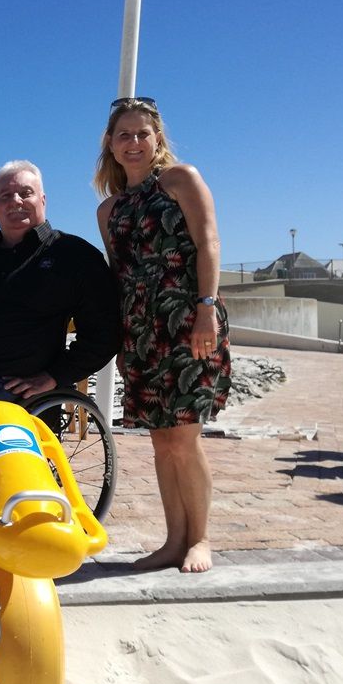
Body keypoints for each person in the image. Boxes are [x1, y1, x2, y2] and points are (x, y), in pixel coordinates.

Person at [95, 97, 230, 574]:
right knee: (161, 444)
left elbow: (208, 242)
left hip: (189, 323)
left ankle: (202, 539)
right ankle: (175, 540)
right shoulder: (109, 209)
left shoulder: (180, 180)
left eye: (141, 134)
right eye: (123, 135)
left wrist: (206, 309)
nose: (133, 143)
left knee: (186, 438)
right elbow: (120, 274)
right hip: (142, 333)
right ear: (110, 146)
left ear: (158, 140)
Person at [0, 160, 120, 407]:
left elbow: (104, 333)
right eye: (5, 196)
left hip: (4, 387)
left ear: (43, 200)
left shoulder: (72, 256)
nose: (15, 201)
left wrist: (54, 377)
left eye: (25, 193)